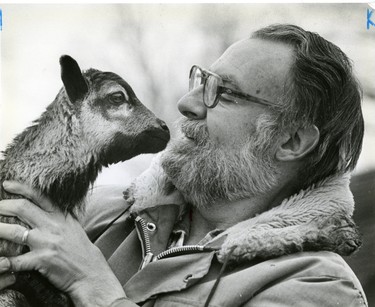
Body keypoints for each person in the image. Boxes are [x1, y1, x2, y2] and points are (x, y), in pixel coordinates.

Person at [0, 24, 368, 306]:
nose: (186, 103)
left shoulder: (318, 286)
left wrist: (93, 287)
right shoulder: (95, 212)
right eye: (201, 81)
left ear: (291, 141)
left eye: (221, 92)